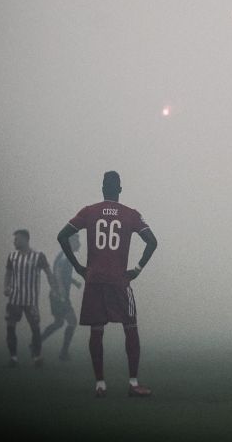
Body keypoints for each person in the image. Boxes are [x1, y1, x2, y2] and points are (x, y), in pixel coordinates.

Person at [57, 171, 158, 398]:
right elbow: (152, 241)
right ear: (120, 189)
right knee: (130, 326)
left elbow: (62, 236)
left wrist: (79, 267)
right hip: (119, 280)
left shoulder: (89, 211)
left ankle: (100, 385)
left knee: (97, 329)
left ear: (102, 188)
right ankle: (133, 384)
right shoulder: (130, 214)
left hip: (94, 280)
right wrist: (137, 270)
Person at [4, 229, 56, 368]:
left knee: (35, 328)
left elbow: (48, 272)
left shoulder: (38, 256)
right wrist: (6, 287)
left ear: (26, 240)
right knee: (10, 327)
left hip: (30, 300)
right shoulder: (12, 256)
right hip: (14, 299)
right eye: (15, 239)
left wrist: (54, 288)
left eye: (17, 239)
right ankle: (13, 357)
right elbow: (8, 273)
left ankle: (37, 357)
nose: (14, 241)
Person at [40, 233, 83, 360]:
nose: (79, 244)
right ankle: (63, 353)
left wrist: (74, 282)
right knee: (72, 322)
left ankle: (36, 344)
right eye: (77, 241)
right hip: (60, 296)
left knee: (59, 323)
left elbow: (63, 274)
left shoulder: (66, 255)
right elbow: (58, 272)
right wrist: (61, 291)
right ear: (71, 242)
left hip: (57, 295)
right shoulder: (66, 255)